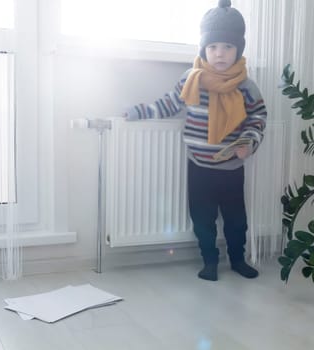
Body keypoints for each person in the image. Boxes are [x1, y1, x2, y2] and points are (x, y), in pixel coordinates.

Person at [124, 0, 267, 281]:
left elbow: (258, 117)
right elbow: (168, 104)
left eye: (227, 47)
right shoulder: (192, 79)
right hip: (199, 166)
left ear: (238, 49)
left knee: (237, 220)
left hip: (230, 167)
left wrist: (249, 142)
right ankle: (209, 261)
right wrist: (140, 111)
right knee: (202, 220)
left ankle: (237, 259)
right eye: (213, 47)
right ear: (203, 49)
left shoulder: (245, 85)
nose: (219, 53)